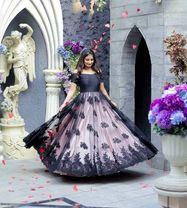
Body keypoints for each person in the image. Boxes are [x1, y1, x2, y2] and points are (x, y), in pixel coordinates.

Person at [24, 48, 157, 177]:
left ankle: (105, 161)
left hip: (99, 103)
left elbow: (102, 88)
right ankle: (80, 162)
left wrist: (110, 100)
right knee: (81, 130)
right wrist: (64, 103)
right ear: (83, 59)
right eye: (87, 59)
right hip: (83, 104)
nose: (89, 62)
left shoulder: (97, 71)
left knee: (103, 130)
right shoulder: (78, 72)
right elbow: (72, 90)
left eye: (91, 59)